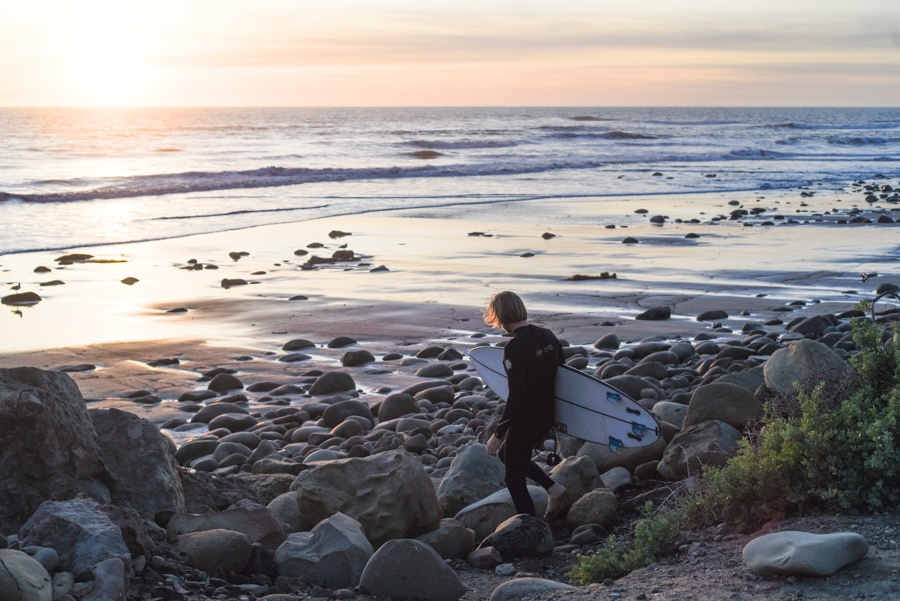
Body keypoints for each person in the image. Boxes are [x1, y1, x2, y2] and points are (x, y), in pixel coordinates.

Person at [482, 291, 568, 519]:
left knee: (513, 478)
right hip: (547, 415)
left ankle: (531, 526)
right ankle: (553, 488)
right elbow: (564, 377)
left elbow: (517, 397)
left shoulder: (514, 349)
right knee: (508, 457)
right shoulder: (548, 336)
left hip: (526, 419)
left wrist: (498, 433)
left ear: (501, 316)